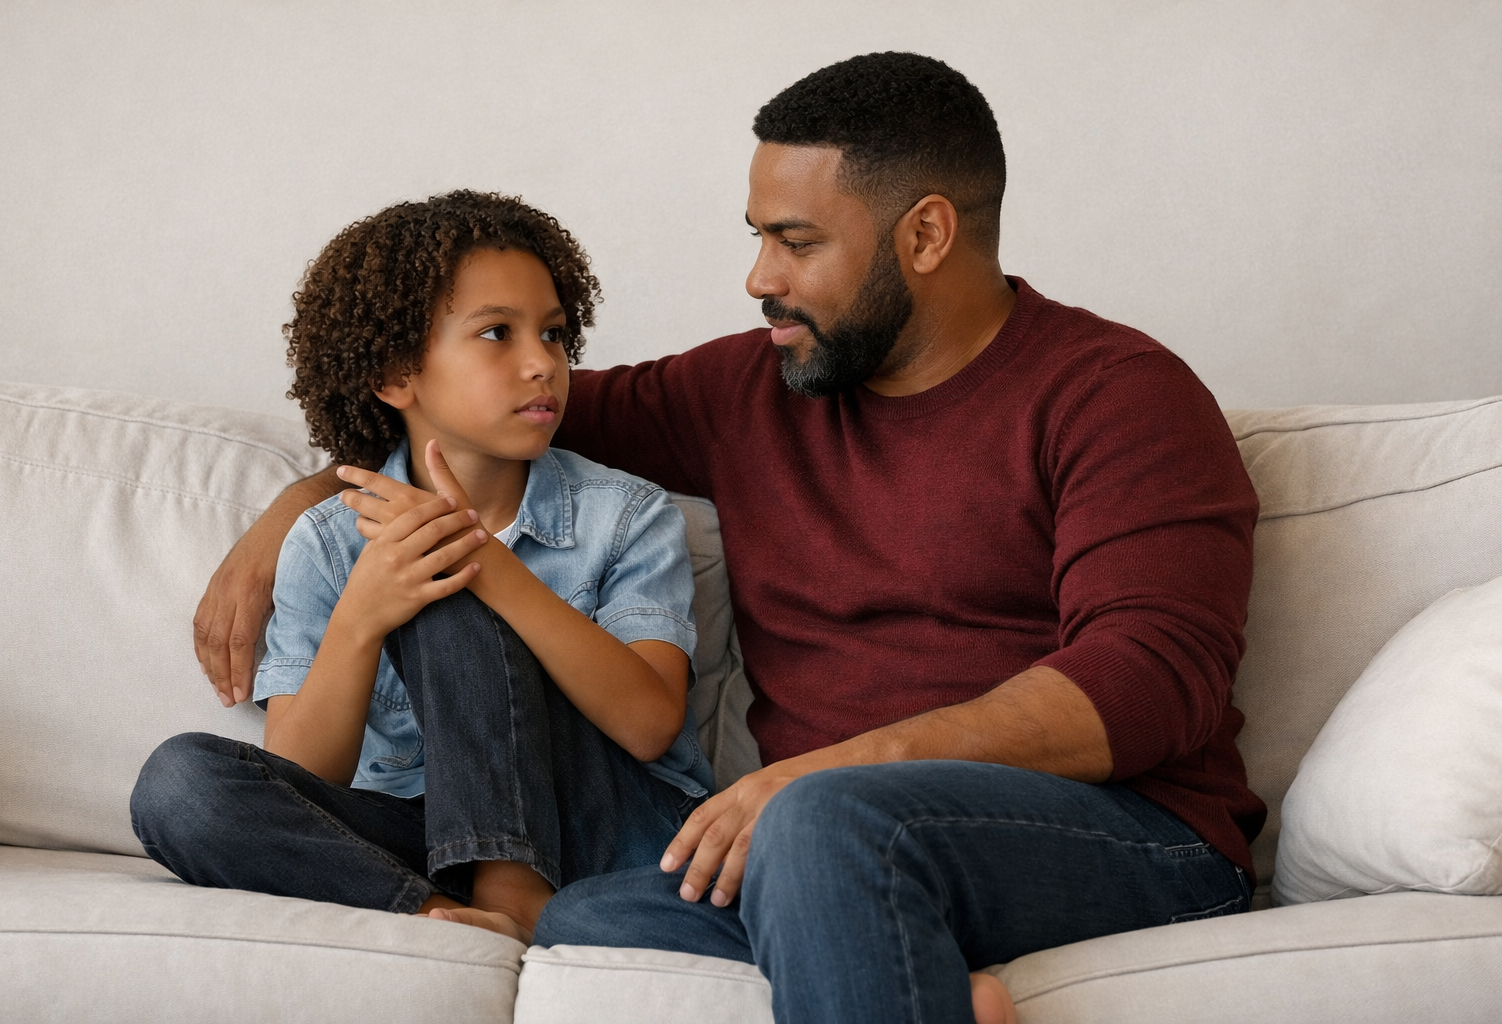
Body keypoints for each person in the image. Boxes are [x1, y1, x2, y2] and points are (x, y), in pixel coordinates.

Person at [192, 54, 1266, 1024]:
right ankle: (917, 978)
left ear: (926, 235)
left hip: (1122, 836)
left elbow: (1149, 677)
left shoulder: (1120, 395)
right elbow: (468, 414)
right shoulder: (753, 387)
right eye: (757, 235)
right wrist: (293, 511)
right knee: (581, 916)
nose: (759, 276)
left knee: (826, 825)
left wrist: (836, 773)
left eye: (795, 241)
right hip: (813, 850)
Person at [132, 190, 711, 945]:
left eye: (555, 334)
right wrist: (364, 613)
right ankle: (442, 919)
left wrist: (489, 569)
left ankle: (514, 894)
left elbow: (647, 724)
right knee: (179, 785)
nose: (543, 363)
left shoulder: (626, 515)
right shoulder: (330, 544)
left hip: (614, 829)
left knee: (442, 572)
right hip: (428, 839)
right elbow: (308, 772)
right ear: (396, 374)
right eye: (498, 333)